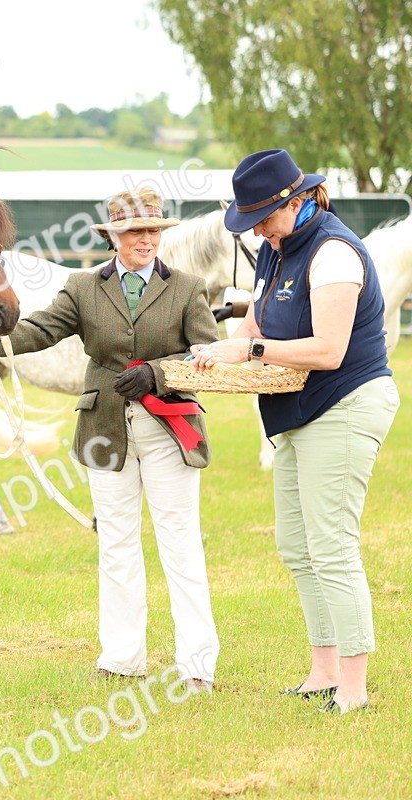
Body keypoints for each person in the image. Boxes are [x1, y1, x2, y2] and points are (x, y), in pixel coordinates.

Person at [191, 149, 400, 714]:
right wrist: (219, 352)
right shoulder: (275, 250)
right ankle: (323, 671)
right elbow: (258, 322)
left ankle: (353, 687)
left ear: (297, 199)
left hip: (347, 402)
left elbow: (329, 351)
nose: (256, 227)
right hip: (298, 411)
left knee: (331, 546)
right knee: (296, 544)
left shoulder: (333, 251)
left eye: (263, 214)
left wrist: (250, 349)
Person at [6, 187, 220, 692]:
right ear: (113, 237)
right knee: (118, 545)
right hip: (104, 431)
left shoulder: (188, 288)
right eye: (133, 232)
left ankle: (197, 666)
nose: (145, 240)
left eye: (152, 231)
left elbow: (209, 356)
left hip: (171, 432)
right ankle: (123, 657)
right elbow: (40, 330)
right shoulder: (83, 288)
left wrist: (160, 375)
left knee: (180, 545)